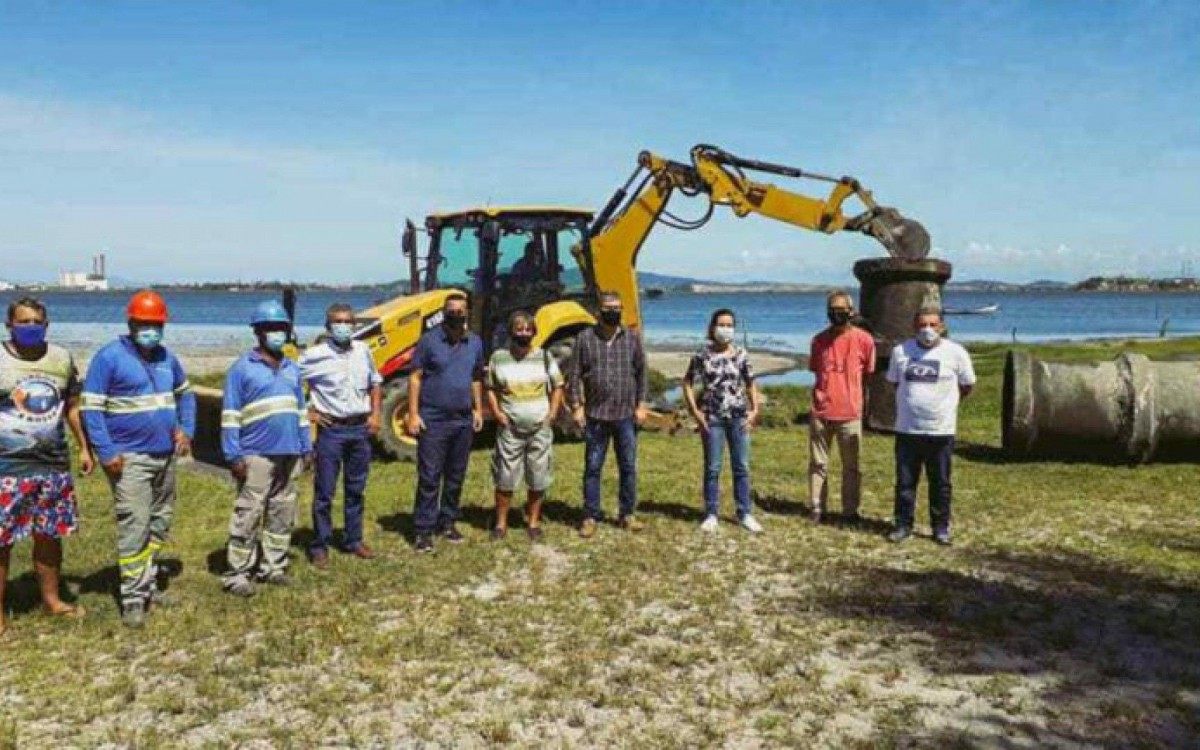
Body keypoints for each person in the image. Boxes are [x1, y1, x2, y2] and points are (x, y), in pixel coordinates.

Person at [81, 290, 195, 628]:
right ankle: (132, 597)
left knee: (159, 521)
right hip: (129, 459)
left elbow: (184, 395)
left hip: (164, 456)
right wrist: (106, 452)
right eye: (145, 324)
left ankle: (147, 583)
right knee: (135, 525)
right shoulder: (109, 358)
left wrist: (185, 430)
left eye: (156, 324)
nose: (151, 330)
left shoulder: (167, 358)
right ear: (131, 323)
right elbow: (91, 408)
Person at [0, 297, 93, 636]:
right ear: (9, 325)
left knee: (49, 535)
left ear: (47, 325)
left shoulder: (61, 358)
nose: (30, 326)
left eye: (37, 321)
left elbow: (71, 406)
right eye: (23, 321)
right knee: (2, 541)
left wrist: (84, 447)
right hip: (7, 469)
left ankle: (52, 601)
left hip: (53, 466)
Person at [220, 300, 313, 596]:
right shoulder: (241, 369)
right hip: (255, 454)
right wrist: (233, 455)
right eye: (271, 328)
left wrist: (306, 446)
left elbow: (301, 411)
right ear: (258, 333)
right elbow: (230, 415)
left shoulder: (291, 369)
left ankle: (273, 566)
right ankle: (238, 573)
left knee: (282, 512)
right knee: (249, 512)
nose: (277, 334)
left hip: (289, 453)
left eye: (281, 328)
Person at [299, 303, 383, 568]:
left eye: (348, 322)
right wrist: (307, 412)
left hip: (360, 429)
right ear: (328, 326)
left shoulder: (363, 350)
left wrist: (376, 414)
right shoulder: (314, 356)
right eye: (338, 322)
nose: (344, 326)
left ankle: (353, 539)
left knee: (356, 488)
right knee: (325, 490)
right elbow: (288, 381)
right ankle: (320, 544)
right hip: (332, 431)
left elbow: (375, 382)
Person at [885, 307, 975, 545]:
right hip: (907, 430)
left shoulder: (956, 353)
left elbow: (967, 385)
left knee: (941, 483)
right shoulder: (900, 352)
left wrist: (944, 405)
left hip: (941, 431)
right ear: (914, 328)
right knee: (905, 483)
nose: (928, 330)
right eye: (922, 325)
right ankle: (903, 525)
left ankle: (940, 527)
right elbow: (895, 383)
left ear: (942, 327)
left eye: (933, 325)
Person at [406, 293, 484, 553]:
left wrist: (478, 409)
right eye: (451, 310)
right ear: (444, 312)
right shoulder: (429, 341)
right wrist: (414, 414)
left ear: (468, 313)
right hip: (434, 418)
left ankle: (447, 522)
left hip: (462, 418)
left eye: (461, 310)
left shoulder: (475, 342)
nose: (456, 314)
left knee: (455, 475)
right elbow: (415, 378)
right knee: (430, 476)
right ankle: (423, 530)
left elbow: (475, 378)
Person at [568, 291, 648, 538]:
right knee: (593, 466)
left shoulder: (632, 339)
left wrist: (642, 404)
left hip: (625, 414)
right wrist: (576, 406)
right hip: (596, 414)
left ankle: (627, 514)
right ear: (598, 311)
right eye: (607, 308)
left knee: (628, 466)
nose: (612, 312)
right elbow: (574, 375)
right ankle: (591, 515)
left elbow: (642, 372)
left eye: (616, 308)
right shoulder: (585, 338)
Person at [485, 310, 564, 541]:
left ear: (534, 332)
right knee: (505, 477)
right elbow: (490, 387)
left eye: (528, 329)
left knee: (538, 476)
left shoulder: (545, 357)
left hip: (540, 428)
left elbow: (558, 385)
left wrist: (552, 413)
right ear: (511, 332)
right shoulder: (498, 357)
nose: (524, 333)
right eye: (519, 329)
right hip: (510, 430)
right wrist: (497, 413)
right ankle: (501, 523)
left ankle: (533, 521)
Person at [682, 308, 762, 533]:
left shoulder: (741, 354)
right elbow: (687, 382)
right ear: (712, 327)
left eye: (729, 325)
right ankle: (711, 513)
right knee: (713, 467)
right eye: (721, 324)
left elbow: (750, 383)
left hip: (738, 417)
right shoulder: (702, 355)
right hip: (712, 418)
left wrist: (754, 409)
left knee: (741, 467)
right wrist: (695, 412)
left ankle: (745, 512)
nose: (725, 329)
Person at [807, 290, 876, 523]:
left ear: (851, 311)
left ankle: (850, 511)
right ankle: (817, 507)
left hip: (850, 413)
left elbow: (868, 375)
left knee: (852, 466)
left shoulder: (864, 341)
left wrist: (860, 404)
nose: (837, 314)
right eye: (832, 310)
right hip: (821, 412)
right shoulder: (819, 341)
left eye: (841, 310)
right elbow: (817, 371)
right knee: (818, 463)